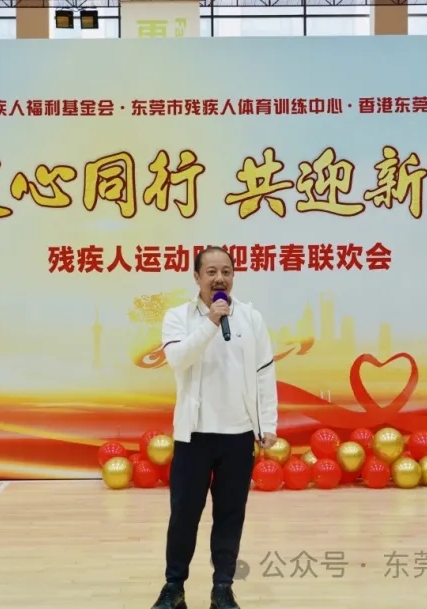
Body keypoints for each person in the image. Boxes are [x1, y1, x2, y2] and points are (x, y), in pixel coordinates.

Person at [150, 246, 279, 609]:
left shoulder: (251, 318)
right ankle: (174, 586)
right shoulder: (178, 317)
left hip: (238, 435)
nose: (219, 279)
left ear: (233, 276)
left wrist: (267, 423)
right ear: (197, 277)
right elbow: (178, 359)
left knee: (230, 516)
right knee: (184, 516)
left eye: (226, 271)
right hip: (194, 435)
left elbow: (264, 373)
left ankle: (222, 587)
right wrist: (210, 322)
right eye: (211, 272)